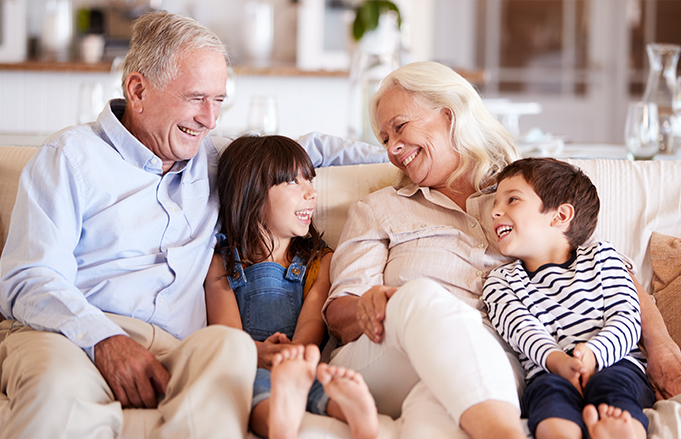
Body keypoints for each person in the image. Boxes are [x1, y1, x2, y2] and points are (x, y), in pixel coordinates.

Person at [323, 60, 681, 439]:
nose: (393, 148)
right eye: (384, 139)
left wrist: (661, 347)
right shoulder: (379, 208)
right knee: (421, 298)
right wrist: (370, 304)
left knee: (438, 414)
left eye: (400, 127)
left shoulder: (526, 191)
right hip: (390, 354)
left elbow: (608, 269)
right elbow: (338, 313)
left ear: (448, 114)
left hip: (498, 363)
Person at [204, 135, 378, 439]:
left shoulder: (320, 261)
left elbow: (313, 320)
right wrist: (262, 355)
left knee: (320, 382)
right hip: (248, 361)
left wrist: (294, 356)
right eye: (294, 183)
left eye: (310, 181)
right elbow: (227, 333)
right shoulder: (221, 263)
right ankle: (279, 421)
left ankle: (357, 417)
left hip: (301, 360)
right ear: (251, 193)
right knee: (249, 390)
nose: (312, 193)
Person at [482, 158, 655, 439]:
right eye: (495, 204)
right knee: (549, 394)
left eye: (512, 200)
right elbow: (521, 329)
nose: (495, 212)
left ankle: (623, 431)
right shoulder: (502, 281)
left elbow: (626, 319)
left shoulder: (603, 257)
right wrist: (558, 362)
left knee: (616, 386)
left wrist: (594, 355)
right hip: (548, 371)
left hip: (614, 363)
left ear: (560, 216)